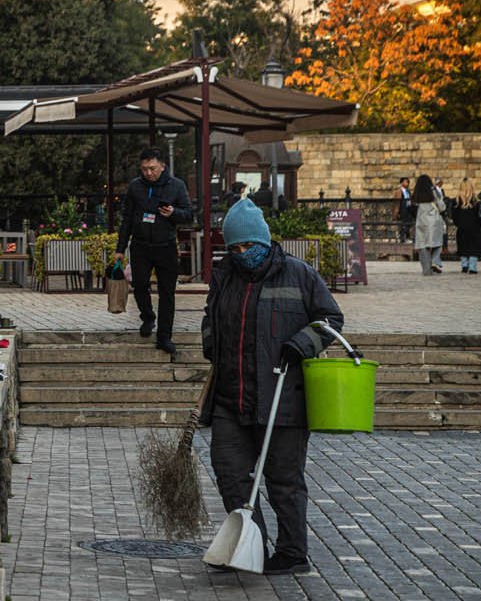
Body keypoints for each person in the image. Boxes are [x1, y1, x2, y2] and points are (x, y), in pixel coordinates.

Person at [202, 198, 344, 576]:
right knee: (231, 474)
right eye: (234, 247)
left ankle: (294, 552)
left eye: (248, 246)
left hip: (283, 398)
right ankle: (251, 547)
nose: (242, 253)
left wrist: (303, 343)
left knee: (283, 481)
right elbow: (210, 314)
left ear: (264, 242)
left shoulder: (299, 274)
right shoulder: (225, 275)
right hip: (232, 397)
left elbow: (330, 319)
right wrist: (210, 341)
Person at [115, 147, 192, 356]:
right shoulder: (135, 187)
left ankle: (164, 336)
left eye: (152, 168)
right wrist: (120, 249)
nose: (149, 173)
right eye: (144, 169)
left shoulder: (176, 186)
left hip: (165, 245)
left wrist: (173, 213)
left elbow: (189, 215)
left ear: (162, 166)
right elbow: (127, 219)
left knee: (167, 293)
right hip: (140, 246)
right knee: (140, 285)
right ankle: (147, 317)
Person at [412, 174, 446, 275]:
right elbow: (441, 206)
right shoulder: (433, 192)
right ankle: (435, 262)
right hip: (433, 221)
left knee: (422, 245)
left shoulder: (416, 194)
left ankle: (426, 270)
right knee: (437, 242)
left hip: (421, 221)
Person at [451, 179, 481, 275]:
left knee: (463, 247)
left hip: (462, 228)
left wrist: (460, 224)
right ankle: (472, 267)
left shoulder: (456, 202)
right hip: (475, 228)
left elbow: (454, 218)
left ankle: (464, 265)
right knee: (473, 248)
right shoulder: (477, 202)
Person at [395, 177, 413, 243]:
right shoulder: (399, 191)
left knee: (408, 224)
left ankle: (407, 237)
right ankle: (401, 238)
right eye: (406, 182)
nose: (407, 183)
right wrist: (397, 212)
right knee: (402, 224)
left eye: (408, 182)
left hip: (408, 209)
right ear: (402, 182)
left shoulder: (408, 191)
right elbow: (397, 203)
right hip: (402, 209)